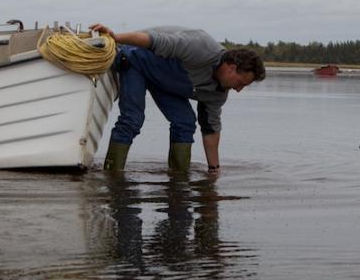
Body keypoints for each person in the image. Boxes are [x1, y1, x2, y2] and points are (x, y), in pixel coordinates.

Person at [89, 24, 265, 173]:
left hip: (164, 80)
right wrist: (115, 37)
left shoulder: (218, 93)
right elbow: (152, 40)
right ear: (231, 68)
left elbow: (211, 130)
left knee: (185, 122)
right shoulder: (201, 47)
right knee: (132, 120)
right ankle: (112, 174)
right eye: (240, 83)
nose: (239, 90)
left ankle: (178, 181)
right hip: (136, 59)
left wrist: (214, 170)